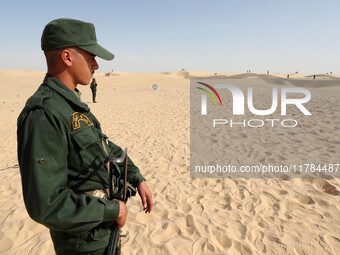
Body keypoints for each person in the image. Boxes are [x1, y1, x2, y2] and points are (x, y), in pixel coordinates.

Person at [17, 18, 153, 255]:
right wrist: (113, 211)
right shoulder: (44, 114)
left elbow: (104, 147)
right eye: (91, 57)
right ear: (67, 57)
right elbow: (45, 204)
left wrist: (136, 177)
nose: (96, 65)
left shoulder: (70, 104)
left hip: (103, 234)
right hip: (83, 244)